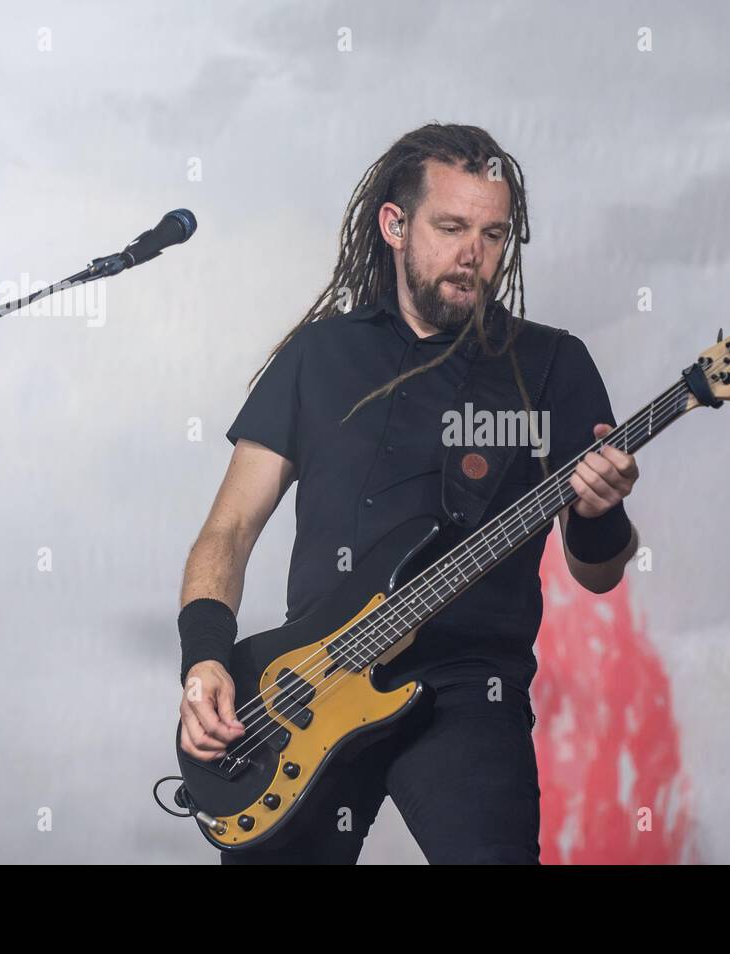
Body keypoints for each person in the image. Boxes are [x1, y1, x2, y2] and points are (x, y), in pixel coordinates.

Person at [176, 122, 640, 864]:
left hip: (467, 692)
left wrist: (599, 506)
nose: (472, 255)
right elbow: (228, 529)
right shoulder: (318, 355)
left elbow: (599, 571)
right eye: (451, 227)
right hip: (312, 684)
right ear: (395, 225)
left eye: (493, 234)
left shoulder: (551, 365)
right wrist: (203, 660)